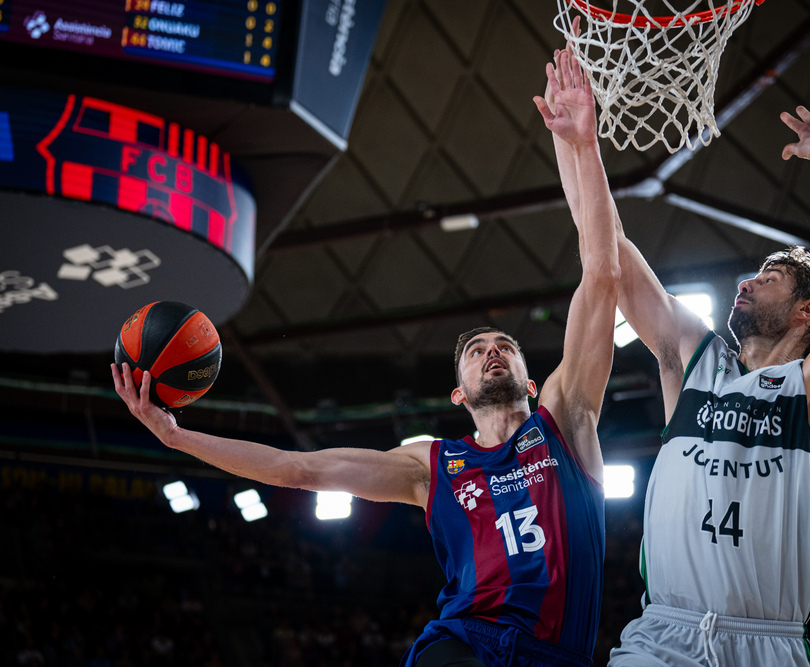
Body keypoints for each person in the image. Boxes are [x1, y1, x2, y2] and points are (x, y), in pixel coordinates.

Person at [112, 52, 621, 667]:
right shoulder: (432, 465)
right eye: (475, 350)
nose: (491, 351)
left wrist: (584, 147)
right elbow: (297, 470)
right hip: (464, 645)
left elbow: (601, 275)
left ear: (530, 380)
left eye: (504, 347)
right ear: (457, 394)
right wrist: (177, 437)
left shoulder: (564, 419)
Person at [540, 45, 810, 666]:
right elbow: (604, 249)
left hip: (765, 647)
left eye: (769, 277)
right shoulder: (694, 356)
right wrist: (577, 144)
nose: (745, 282)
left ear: (808, 313)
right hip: (661, 637)